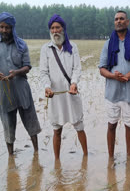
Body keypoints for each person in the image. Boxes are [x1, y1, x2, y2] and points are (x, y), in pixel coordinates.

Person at [0, 12, 41, 155]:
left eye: (7, 27)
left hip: (22, 90)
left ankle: (36, 153)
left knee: (31, 122)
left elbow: (27, 67)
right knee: (8, 126)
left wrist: (17, 72)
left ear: (12, 28)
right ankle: (11, 157)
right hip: (3, 92)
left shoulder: (21, 44)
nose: (4, 30)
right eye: (1, 27)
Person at [40, 14, 88, 160]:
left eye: (57, 27)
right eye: (52, 28)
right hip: (55, 96)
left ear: (63, 29)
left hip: (71, 93)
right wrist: (47, 87)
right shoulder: (46, 49)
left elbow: (77, 68)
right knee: (57, 130)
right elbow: (43, 72)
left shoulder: (73, 47)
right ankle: (57, 161)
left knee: (79, 126)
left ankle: (86, 156)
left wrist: (74, 83)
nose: (55, 31)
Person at [99, 10, 130, 157]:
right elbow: (102, 69)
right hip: (112, 93)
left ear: (127, 22)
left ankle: (129, 157)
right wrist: (114, 76)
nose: (118, 21)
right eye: (116, 19)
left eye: (121, 19)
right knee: (111, 125)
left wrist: (127, 76)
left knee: (129, 126)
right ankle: (111, 157)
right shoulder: (108, 43)